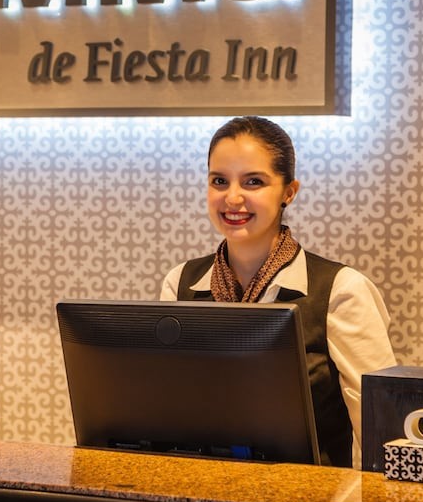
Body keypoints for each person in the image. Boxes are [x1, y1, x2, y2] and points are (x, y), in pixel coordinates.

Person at [160, 116, 396, 468]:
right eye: (219, 181)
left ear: (289, 192)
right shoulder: (181, 283)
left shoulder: (341, 290)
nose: (233, 197)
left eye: (253, 182)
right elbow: (166, 410)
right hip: (199, 488)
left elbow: (380, 431)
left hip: (310, 495)